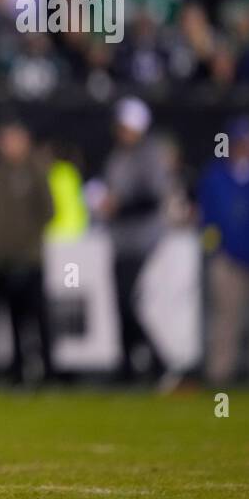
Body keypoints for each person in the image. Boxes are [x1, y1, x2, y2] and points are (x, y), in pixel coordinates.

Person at [0, 119, 54, 384]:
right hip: (0, 260)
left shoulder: (35, 170)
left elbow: (47, 211)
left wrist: (27, 243)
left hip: (30, 258)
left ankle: (48, 368)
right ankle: (16, 370)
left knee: (37, 316)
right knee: (8, 318)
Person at [98, 97, 171, 381]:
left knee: (127, 301)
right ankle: (128, 365)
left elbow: (153, 198)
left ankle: (157, 361)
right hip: (120, 239)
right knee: (119, 302)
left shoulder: (150, 155)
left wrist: (120, 206)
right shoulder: (118, 155)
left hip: (142, 239)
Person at [198, 116, 249, 386]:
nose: (245, 148)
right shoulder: (216, 176)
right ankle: (221, 374)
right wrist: (215, 249)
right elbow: (206, 218)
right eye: (239, 142)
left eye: (248, 142)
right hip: (228, 258)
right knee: (226, 319)